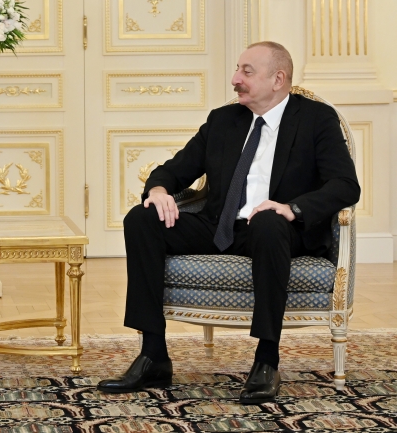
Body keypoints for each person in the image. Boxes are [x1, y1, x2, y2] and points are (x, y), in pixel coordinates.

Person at [98, 42, 360, 404]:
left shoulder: (316, 119)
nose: (235, 79)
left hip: (279, 231)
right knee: (142, 218)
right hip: (220, 226)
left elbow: (345, 185)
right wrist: (158, 190)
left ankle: (266, 360)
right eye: (237, 69)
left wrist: (292, 208)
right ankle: (153, 356)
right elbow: (175, 169)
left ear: (278, 79)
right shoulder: (223, 120)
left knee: (268, 222)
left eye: (246, 71)